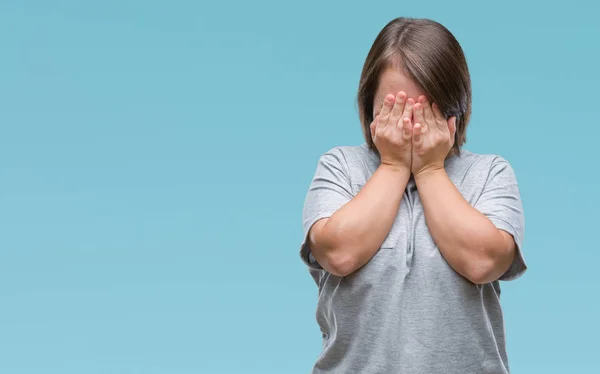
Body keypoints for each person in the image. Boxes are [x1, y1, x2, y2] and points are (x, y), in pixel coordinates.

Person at [299, 17, 527, 374]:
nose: (409, 125)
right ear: (369, 107)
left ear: (454, 111)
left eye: (424, 113)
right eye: (394, 111)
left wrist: (429, 169)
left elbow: (484, 261)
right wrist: (392, 166)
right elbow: (338, 252)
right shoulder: (340, 166)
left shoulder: (490, 173)